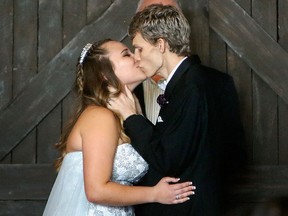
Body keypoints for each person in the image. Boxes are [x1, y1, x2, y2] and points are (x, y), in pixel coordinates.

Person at [109, 4, 246, 216]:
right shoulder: (203, 81)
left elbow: (168, 160)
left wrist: (132, 117)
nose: (136, 57)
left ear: (161, 44)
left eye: (139, 48)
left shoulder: (190, 87)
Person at [42, 39, 195, 216]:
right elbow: (96, 191)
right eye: (126, 54)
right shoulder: (100, 116)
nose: (137, 57)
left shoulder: (126, 114)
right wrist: (155, 194)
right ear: (104, 75)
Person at [134, 0, 181, 124]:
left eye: (170, 16)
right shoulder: (126, 89)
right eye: (151, 17)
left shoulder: (216, 84)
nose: (162, 26)